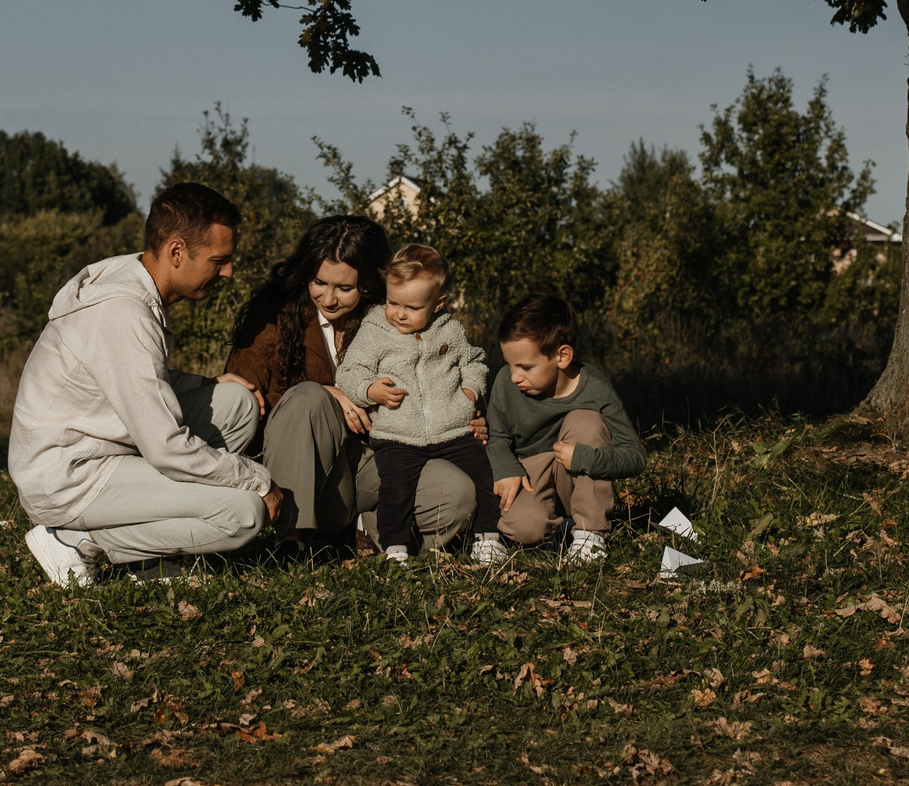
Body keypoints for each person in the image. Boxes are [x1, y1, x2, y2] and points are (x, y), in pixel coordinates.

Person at [9, 181, 284, 587]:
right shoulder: (124, 312)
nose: (228, 272)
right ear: (177, 251)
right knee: (244, 513)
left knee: (237, 403)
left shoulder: (139, 277)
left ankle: (153, 552)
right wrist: (257, 480)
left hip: (100, 445)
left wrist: (205, 381)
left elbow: (128, 378)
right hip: (69, 475)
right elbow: (167, 447)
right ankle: (77, 542)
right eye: (219, 260)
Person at [221, 217, 482, 551]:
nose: (329, 298)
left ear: (369, 284)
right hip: (301, 476)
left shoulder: (395, 314)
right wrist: (325, 394)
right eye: (319, 282)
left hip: (379, 462)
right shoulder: (273, 314)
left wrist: (468, 412)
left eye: (344, 288)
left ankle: (368, 533)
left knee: (456, 493)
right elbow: (242, 403)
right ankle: (291, 541)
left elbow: (443, 379)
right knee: (308, 397)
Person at [334, 244, 506, 565]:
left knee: (485, 474)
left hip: (453, 428)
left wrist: (470, 391)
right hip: (397, 433)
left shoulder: (449, 330)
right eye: (392, 303)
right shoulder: (375, 330)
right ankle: (395, 548)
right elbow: (349, 372)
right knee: (396, 488)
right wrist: (370, 391)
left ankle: (487, 538)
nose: (399, 314)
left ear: (438, 303)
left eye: (412, 307)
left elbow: (474, 362)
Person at [486, 292, 645, 565]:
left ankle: (589, 536)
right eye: (510, 365)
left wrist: (585, 457)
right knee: (524, 529)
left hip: (574, 474)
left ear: (562, 356)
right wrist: (506, 468)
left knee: (586, 421)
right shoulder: (505, 383)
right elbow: (497, 436)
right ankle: (557, 528)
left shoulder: (595, 390)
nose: (514, 377)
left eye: (525, 367)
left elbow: (635, 456)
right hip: (530, 474)